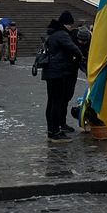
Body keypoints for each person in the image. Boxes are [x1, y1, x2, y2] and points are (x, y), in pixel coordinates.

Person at [42, 11, 84, 142]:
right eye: (71, 25)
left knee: (51, 102)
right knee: (57, 102)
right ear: (67, 24)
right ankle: (55, 132)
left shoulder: (53, 33)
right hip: (59, 73)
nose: (71, 28)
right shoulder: (62, 34)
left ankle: (51, 130)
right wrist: (80, 57)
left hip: (50, 72)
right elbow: (74, 49)